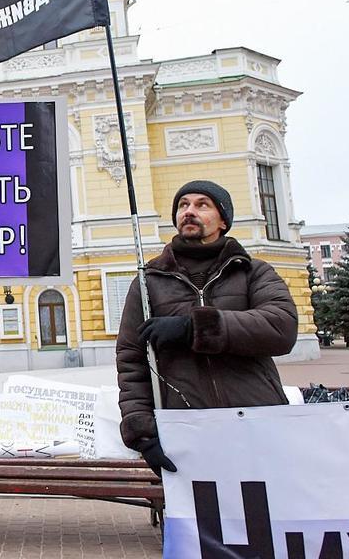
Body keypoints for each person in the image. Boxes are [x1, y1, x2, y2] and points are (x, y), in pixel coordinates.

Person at [116, 180, 298, 476]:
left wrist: (195, 327)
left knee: (264, 515)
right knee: (202, 521)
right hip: (186, 429)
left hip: (257, 420)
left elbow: (281, 328)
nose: (189, 211)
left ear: (223, 220)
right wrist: (143, 432)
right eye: (183, 205)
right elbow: (131, 360)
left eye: (202, 205)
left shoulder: (252, 271)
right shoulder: (149, 281)